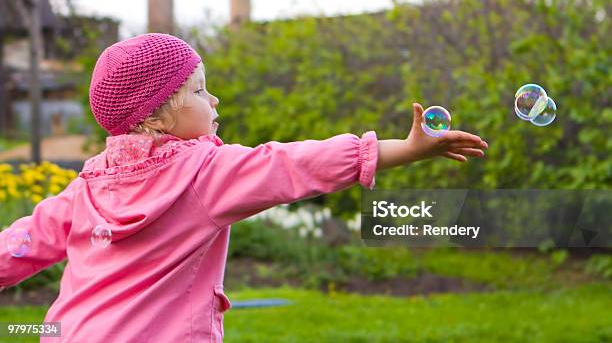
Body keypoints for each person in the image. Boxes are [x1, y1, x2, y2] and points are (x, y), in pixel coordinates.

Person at [0, 33, 488, 342]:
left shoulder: (89, 184)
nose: (212, 98)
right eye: (197, 89)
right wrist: (402, 149)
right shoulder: (205, 173)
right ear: (155, 114)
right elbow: (292, 165)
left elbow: (22, 242)